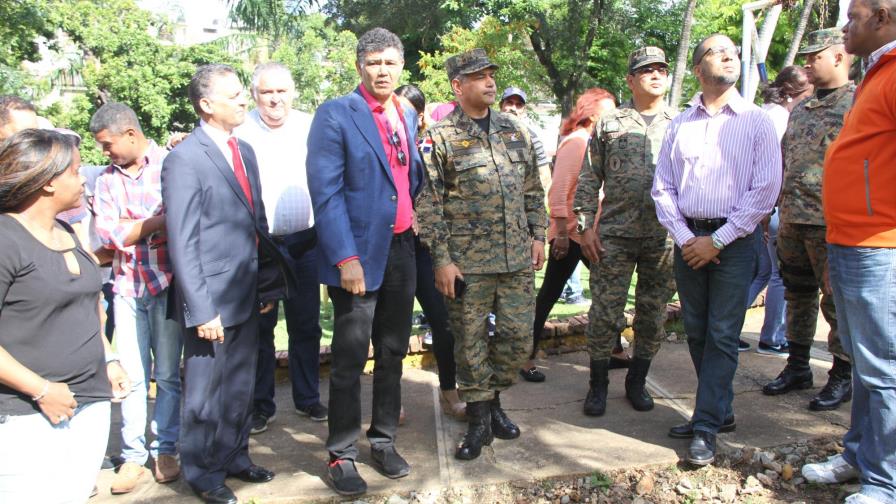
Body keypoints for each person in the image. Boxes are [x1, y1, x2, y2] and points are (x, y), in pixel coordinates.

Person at [651, 34, 781, 466]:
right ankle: (719, 411)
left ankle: (705, 424)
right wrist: (688, 239)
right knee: (697, 331)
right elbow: (663, 188)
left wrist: (719, 239)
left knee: (723, 334)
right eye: (717, 51)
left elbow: (766, 189)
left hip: (735, 243)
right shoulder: (680, 123)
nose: (730, 56)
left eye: (733, 51)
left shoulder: (756, 120)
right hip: (689, 241)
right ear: (698, 67)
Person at [163, 64, 289, 504]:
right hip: (210, 302)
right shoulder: (185, 159)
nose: (242, 100)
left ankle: (235, 456)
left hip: (247, 290)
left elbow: (258, 225)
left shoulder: (244, 151)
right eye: (234, 95)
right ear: (206, 105)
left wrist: (266, 288)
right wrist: (201, 309)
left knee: (240, 385)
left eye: (242, 93)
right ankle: (201, 472)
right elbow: (182, 240)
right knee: (204, 394)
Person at [306, 28, 423, 496]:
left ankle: (383, 440)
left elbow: (408, 178)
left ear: (401, 67)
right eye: (374, 62)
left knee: (393, 350)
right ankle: (341, 454)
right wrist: (345, 257)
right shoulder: (336, 114)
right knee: (351, 358)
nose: (383, 70)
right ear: (359, 66)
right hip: (357, 256)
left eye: (391, 62)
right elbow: (326, 192)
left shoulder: (404, 114)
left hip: (401, 250)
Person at [416, 48, 547, 461]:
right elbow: (428, 203)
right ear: (458, 86)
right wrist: (441, 259)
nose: (490, 82)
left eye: (491, 74)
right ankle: (480, 420)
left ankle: (492, 402)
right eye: (479, 76)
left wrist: (538, 234)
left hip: (515, 261)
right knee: (469, 344)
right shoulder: (440, 138)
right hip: (467, 265)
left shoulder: (515, 130)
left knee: (516, 339)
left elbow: (531, 189)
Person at [0, 129, 130, 503]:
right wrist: (41, 390)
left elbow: (88, 306)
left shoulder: (65, 231)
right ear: (47, 182)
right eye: (75, 171)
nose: (85, 180)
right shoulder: (7, 240)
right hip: (27, 416)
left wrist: (109, 358)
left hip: (88, 403)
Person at [801, 3, 896, 502]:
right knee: (866, 363)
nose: (844, 27)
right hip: (853, 241)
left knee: (883, 368)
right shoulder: (877, 73)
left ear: (881, 17)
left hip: (880, 245)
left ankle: (886, 480)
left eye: (853, 16)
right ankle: (859, 456)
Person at [575, 47, 678, 418]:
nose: (655, 75)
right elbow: (589, 177)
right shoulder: (610, 123)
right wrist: (585, 226)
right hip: (615, 235)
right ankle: (598, 385)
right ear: (630, 80)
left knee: (652, 314)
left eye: (661, 69)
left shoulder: (681, 122)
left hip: (663, 235)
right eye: (645, 70)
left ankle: (637, 381)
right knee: (604, 313)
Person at [90, 102, 183, 492]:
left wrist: (135, 227)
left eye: (108, 145)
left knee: (167, 375)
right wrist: (159, 221)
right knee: (131, 376)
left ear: (131, 134)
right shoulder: (105, 180)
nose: (105, 153)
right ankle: (133, 458)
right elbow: (111, 236)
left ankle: (167, 448)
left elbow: (183, 218)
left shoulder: (172, 166)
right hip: (126, 287)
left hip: (167, 282)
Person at [762, 29, 856, 411]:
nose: (807, 63)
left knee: (836, 304)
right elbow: (787, 161)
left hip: (832, 224)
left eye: (814, 56)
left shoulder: (858, 103)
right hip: (793, 221)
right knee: (797, 296)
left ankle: (841, 374)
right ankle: (798, 366)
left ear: (837, 56)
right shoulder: (801, 109)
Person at [236, 62, 327, 435]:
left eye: (281, 91)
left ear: (293, 92)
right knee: (260, 328)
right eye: (267, 92)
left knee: (306, 324)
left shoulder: (311, 126)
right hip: (261, 246)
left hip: (306, 241)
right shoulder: (239, 131)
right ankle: (261, 405)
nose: (275, 99)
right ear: (254, 94)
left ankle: (307, 398)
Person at [526, 88, 616, 384]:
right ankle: (524, 357)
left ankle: (612, 349)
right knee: (549, 294)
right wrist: (562, 233)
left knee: (607, 292)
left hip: (589, 233)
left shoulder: (596, 142)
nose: (614, 115)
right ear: (591, 114)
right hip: (570, 234)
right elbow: (558, 191)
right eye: (609, 110)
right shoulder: (577, 143)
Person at [395, 84, 465, 420]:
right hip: (394, 247)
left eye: (409, 111)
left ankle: (450, 392)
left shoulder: (435, 145)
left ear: (421, 115)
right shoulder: (386, 145)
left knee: (444, 322)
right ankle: (391, 400)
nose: (403, 117)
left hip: (430, 250)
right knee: (392, 327)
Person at [745, 65, 813, 357]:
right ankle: (772, 338)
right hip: (772, 207)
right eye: (807, 93)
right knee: (776, 275)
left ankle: (727, 329)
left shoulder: (764, 114)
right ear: (791, 93)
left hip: (764, 207)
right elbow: (772, 168)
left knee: (762, 272)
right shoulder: (780, 119)